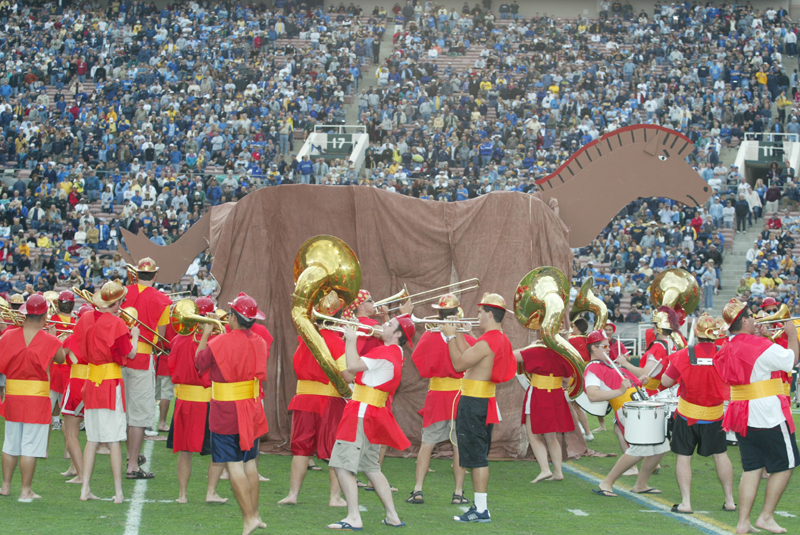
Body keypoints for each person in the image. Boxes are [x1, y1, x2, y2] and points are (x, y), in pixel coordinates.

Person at [715, 299, 799, 535]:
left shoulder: (727, 345)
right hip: (768, 412)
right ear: (743, 320)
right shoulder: (758, 344)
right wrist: (792, 334)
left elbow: (759, 365)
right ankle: (766, 517)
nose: (756, 319)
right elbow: (790, 360)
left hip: (742, 413)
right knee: (786, 465)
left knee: (752, 468)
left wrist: (765, 338)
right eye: (752, 316)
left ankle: (743, 523)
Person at [326, 312, 415, 531]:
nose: (384, 325)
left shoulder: (384, 352)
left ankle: (354, 517)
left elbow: (353, 365)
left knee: (341, 465)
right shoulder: (397, 352)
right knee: (373, 468)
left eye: (390, 324)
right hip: (374, 413)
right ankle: (392, 516)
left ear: (397, 334)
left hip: (361, 413)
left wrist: (350, 339)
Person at [195, 292, 270, 535]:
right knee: (250, 464)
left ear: (235, 318)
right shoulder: (259, 341)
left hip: (226, 411)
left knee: (234, 464)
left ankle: (249, 518)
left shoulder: (221, 341)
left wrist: (206, 334)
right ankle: (255, 514)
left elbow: (200, 362)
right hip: (252, 410)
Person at [440, 293, 516, 523]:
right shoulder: (497, 339)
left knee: (476, 457)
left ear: (489, 314)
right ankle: (479, 506)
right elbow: (470, 356)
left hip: (474, 402)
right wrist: (460, 334)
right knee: (475, 454)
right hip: (480, 401)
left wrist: (450, 338)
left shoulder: (488, 341)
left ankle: (481, 509)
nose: (477, 315)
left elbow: (458, 363)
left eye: (480, 312)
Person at [278, 291, 351, 507]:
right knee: (335, 450)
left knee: (301, 449)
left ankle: (292, 495)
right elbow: (347, 375)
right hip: (328, 400)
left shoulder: (305, 340)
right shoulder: (337, 342)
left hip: (303, 399)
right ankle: (335, 497)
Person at [660, 313, 736, 514]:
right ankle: (729, 500)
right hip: (715, 415)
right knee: (721, 455)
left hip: (687, 415)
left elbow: (666, 382)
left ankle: (686, 502)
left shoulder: (684, 354)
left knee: (684, 457)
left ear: (696, 332)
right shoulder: (725, 354)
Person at [74, 281, 139, 503]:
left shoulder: (86, 319)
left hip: (91, 382)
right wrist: (136, 336)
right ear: (118, 303)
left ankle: (85, 489)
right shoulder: (117, 323)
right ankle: (119, 493)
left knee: (92, 439)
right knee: (114, 440)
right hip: (110, 383)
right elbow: (129, 354)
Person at [584, 329, 668, 497]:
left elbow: (629, 384)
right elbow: (593, 395)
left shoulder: (608, 365)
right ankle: (606, 482)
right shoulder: (593, 368)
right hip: (628, 410)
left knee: (661, 446)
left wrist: (639, 381)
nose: (608, 348)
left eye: (608, 345)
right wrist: (619, 391)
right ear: (594, 348)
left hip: (639, 406)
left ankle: (641, 484)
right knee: (639, 448)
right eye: (604, 346)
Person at [408, 294, 474, 505]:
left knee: (427, 443)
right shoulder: (463, 336)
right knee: (458, 446)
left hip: (436, 395)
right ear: (457, 313)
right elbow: (475, 356)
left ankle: (418, 490)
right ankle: (458, 493)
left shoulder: (429, 336)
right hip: (459, 395)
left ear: (438, 313)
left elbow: (418, 361)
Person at [0, 294, 66, 501]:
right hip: (36, 399)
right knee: (29, 446)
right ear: (45, 315)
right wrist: (56, 337)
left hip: (12, 396)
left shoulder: (7, 336)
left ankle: (6, 486)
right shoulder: (50, 339)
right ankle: (25, 490)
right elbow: (61, 358)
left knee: (10, 443)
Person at [166, 296, 226, 504]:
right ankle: (211, 493)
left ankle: (182, 495)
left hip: (183, 401)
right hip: (207, 401)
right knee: (216, 451)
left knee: (185, 451)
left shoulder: (177, 340)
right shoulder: (215, 341)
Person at [121, 257, 172, 479]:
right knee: (139, 414)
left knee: (124, 410)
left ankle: (130, 455)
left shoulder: (122, 292)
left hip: (120, 355)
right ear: (155, 276)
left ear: (136, 274)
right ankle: (133, 464)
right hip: (142, 357)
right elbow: (160, 337)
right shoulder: (162, 299)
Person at [514, 340, 574, 484]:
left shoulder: (537, 350)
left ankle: (545, 469)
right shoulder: (564, 352)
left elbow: (511, 356)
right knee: (551, 437)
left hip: (539, 393)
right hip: (556, 394)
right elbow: (568, 377)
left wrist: (530, 346)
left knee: (533, 435)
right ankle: (558, 471)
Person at [59, 303, 94, 485]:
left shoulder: (72, 338)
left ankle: (80, 474)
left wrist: (52, 337)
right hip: (94, 383)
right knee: (92, 433)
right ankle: (74, 467)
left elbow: (58, 358)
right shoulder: (97, 338)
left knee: (70, 431)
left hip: (76, 385)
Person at [618, 310, 677, 396]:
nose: (652, 328)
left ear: (658, 328)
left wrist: (624, 363)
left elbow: (644, 373)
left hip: (650, 392)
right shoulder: (672, 344)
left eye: (654, 326)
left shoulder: (658, 347)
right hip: (661, 390)